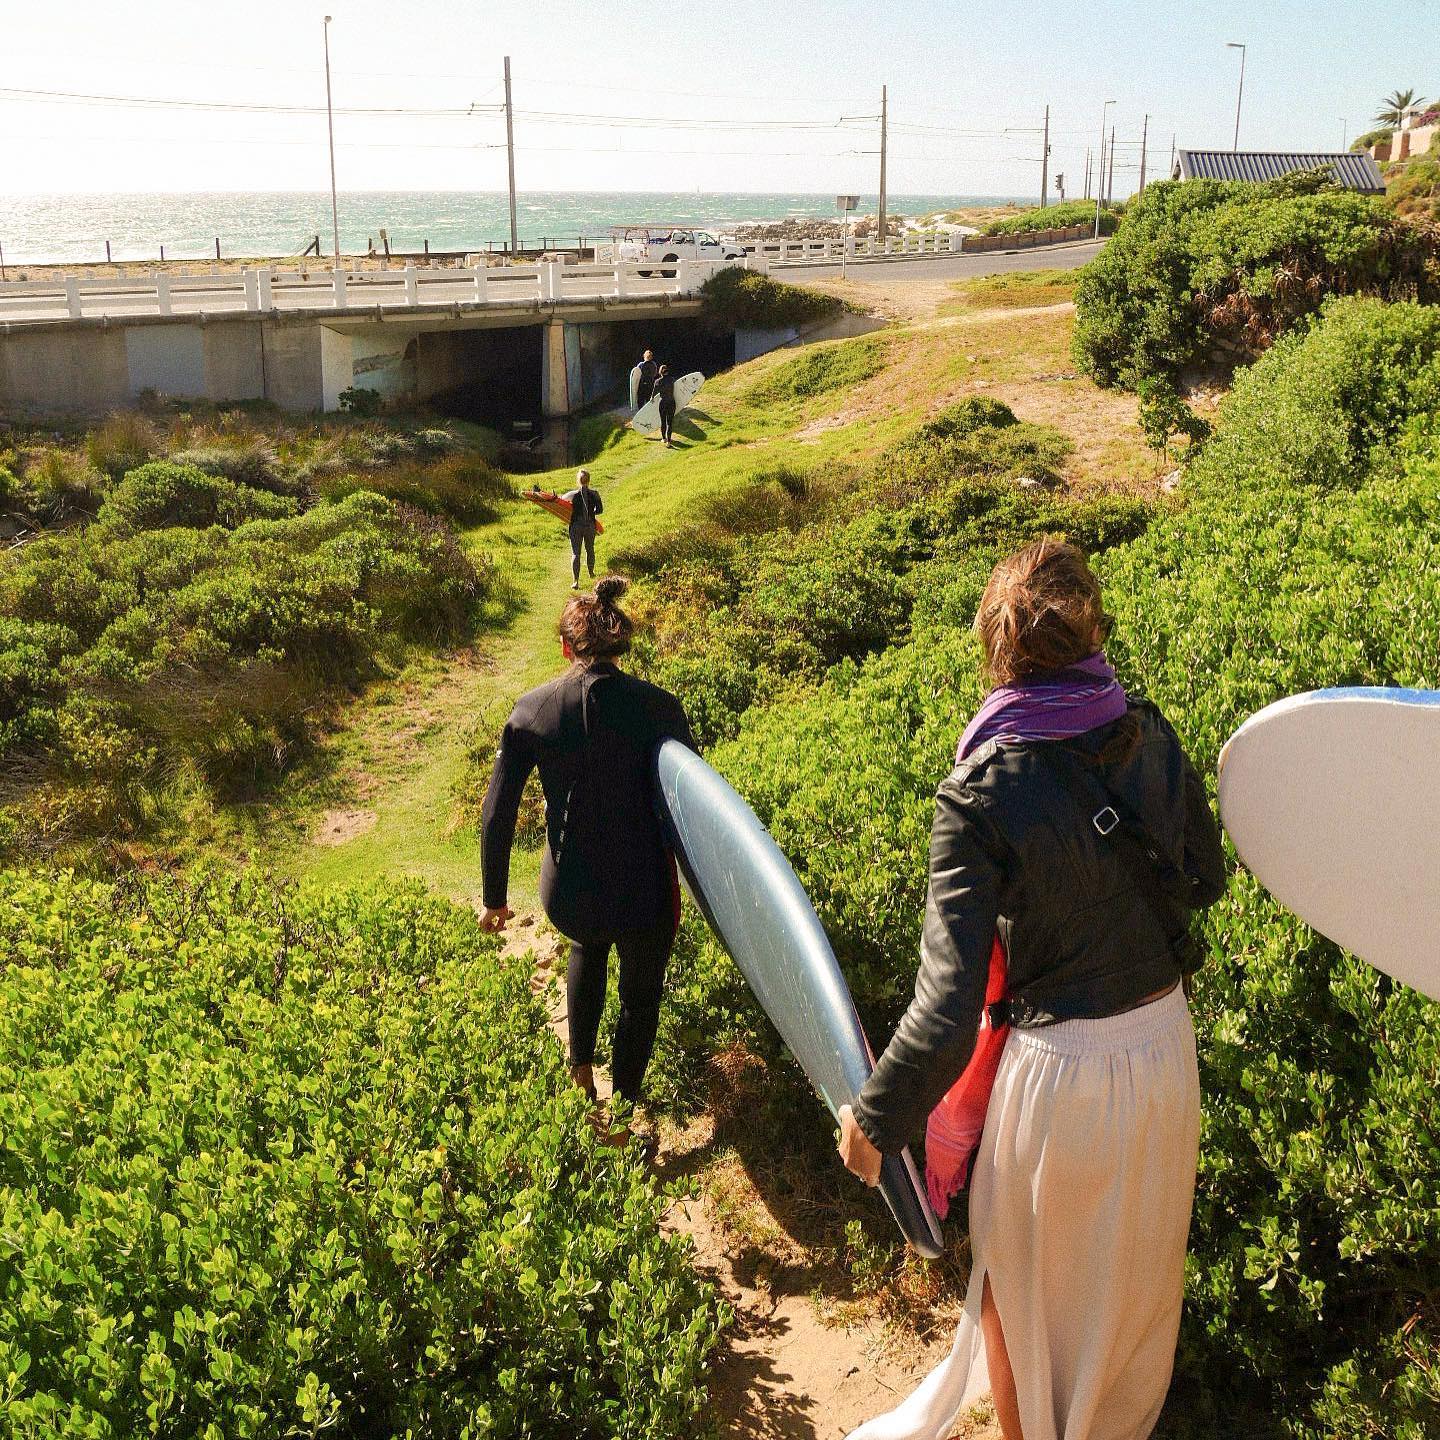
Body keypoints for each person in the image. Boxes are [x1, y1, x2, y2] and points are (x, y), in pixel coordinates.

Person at [836, 539, 1226, 1440]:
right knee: (1129, 1299)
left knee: (1013, 1291)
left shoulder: (977, 791)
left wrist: (875, 1120)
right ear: (1092, 632)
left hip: (1061, 1077)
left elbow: (946, 1005)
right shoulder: (1147, 732)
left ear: (997, 650)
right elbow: (1204, 877)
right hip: (1165, 1049)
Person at [479, 576, 697, 1116]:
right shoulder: (661, 707)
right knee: (639, 999)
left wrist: (494, 898)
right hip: (644, 892)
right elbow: (695, 802)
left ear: (565, 647)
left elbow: (498, 810)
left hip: (570, 890)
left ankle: (580, 1071)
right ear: (619, 644)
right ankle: (623, 1109)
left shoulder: (532, 711)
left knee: (586, 945)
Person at [564, 468, 603, 589]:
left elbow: (560, 502)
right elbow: (600, 510)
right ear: (589, 480)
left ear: (578, 480)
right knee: (590, 549)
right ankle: (591, 573)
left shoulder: (572, 495)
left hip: (576, 526)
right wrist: (591, 513)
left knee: (576, 553)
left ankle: (575, 581)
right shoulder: (595, 494)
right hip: (590, 526)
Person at [654, 364, 678, 448]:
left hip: (663, 402)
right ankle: (669, 442)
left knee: (663, 421)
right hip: (671, 402)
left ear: (660, 372)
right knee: (670, 423)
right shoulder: (672, 379)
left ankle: (664, 438)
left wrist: (651, 398)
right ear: (667, 371)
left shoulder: (657, 381)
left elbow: (653, 394)